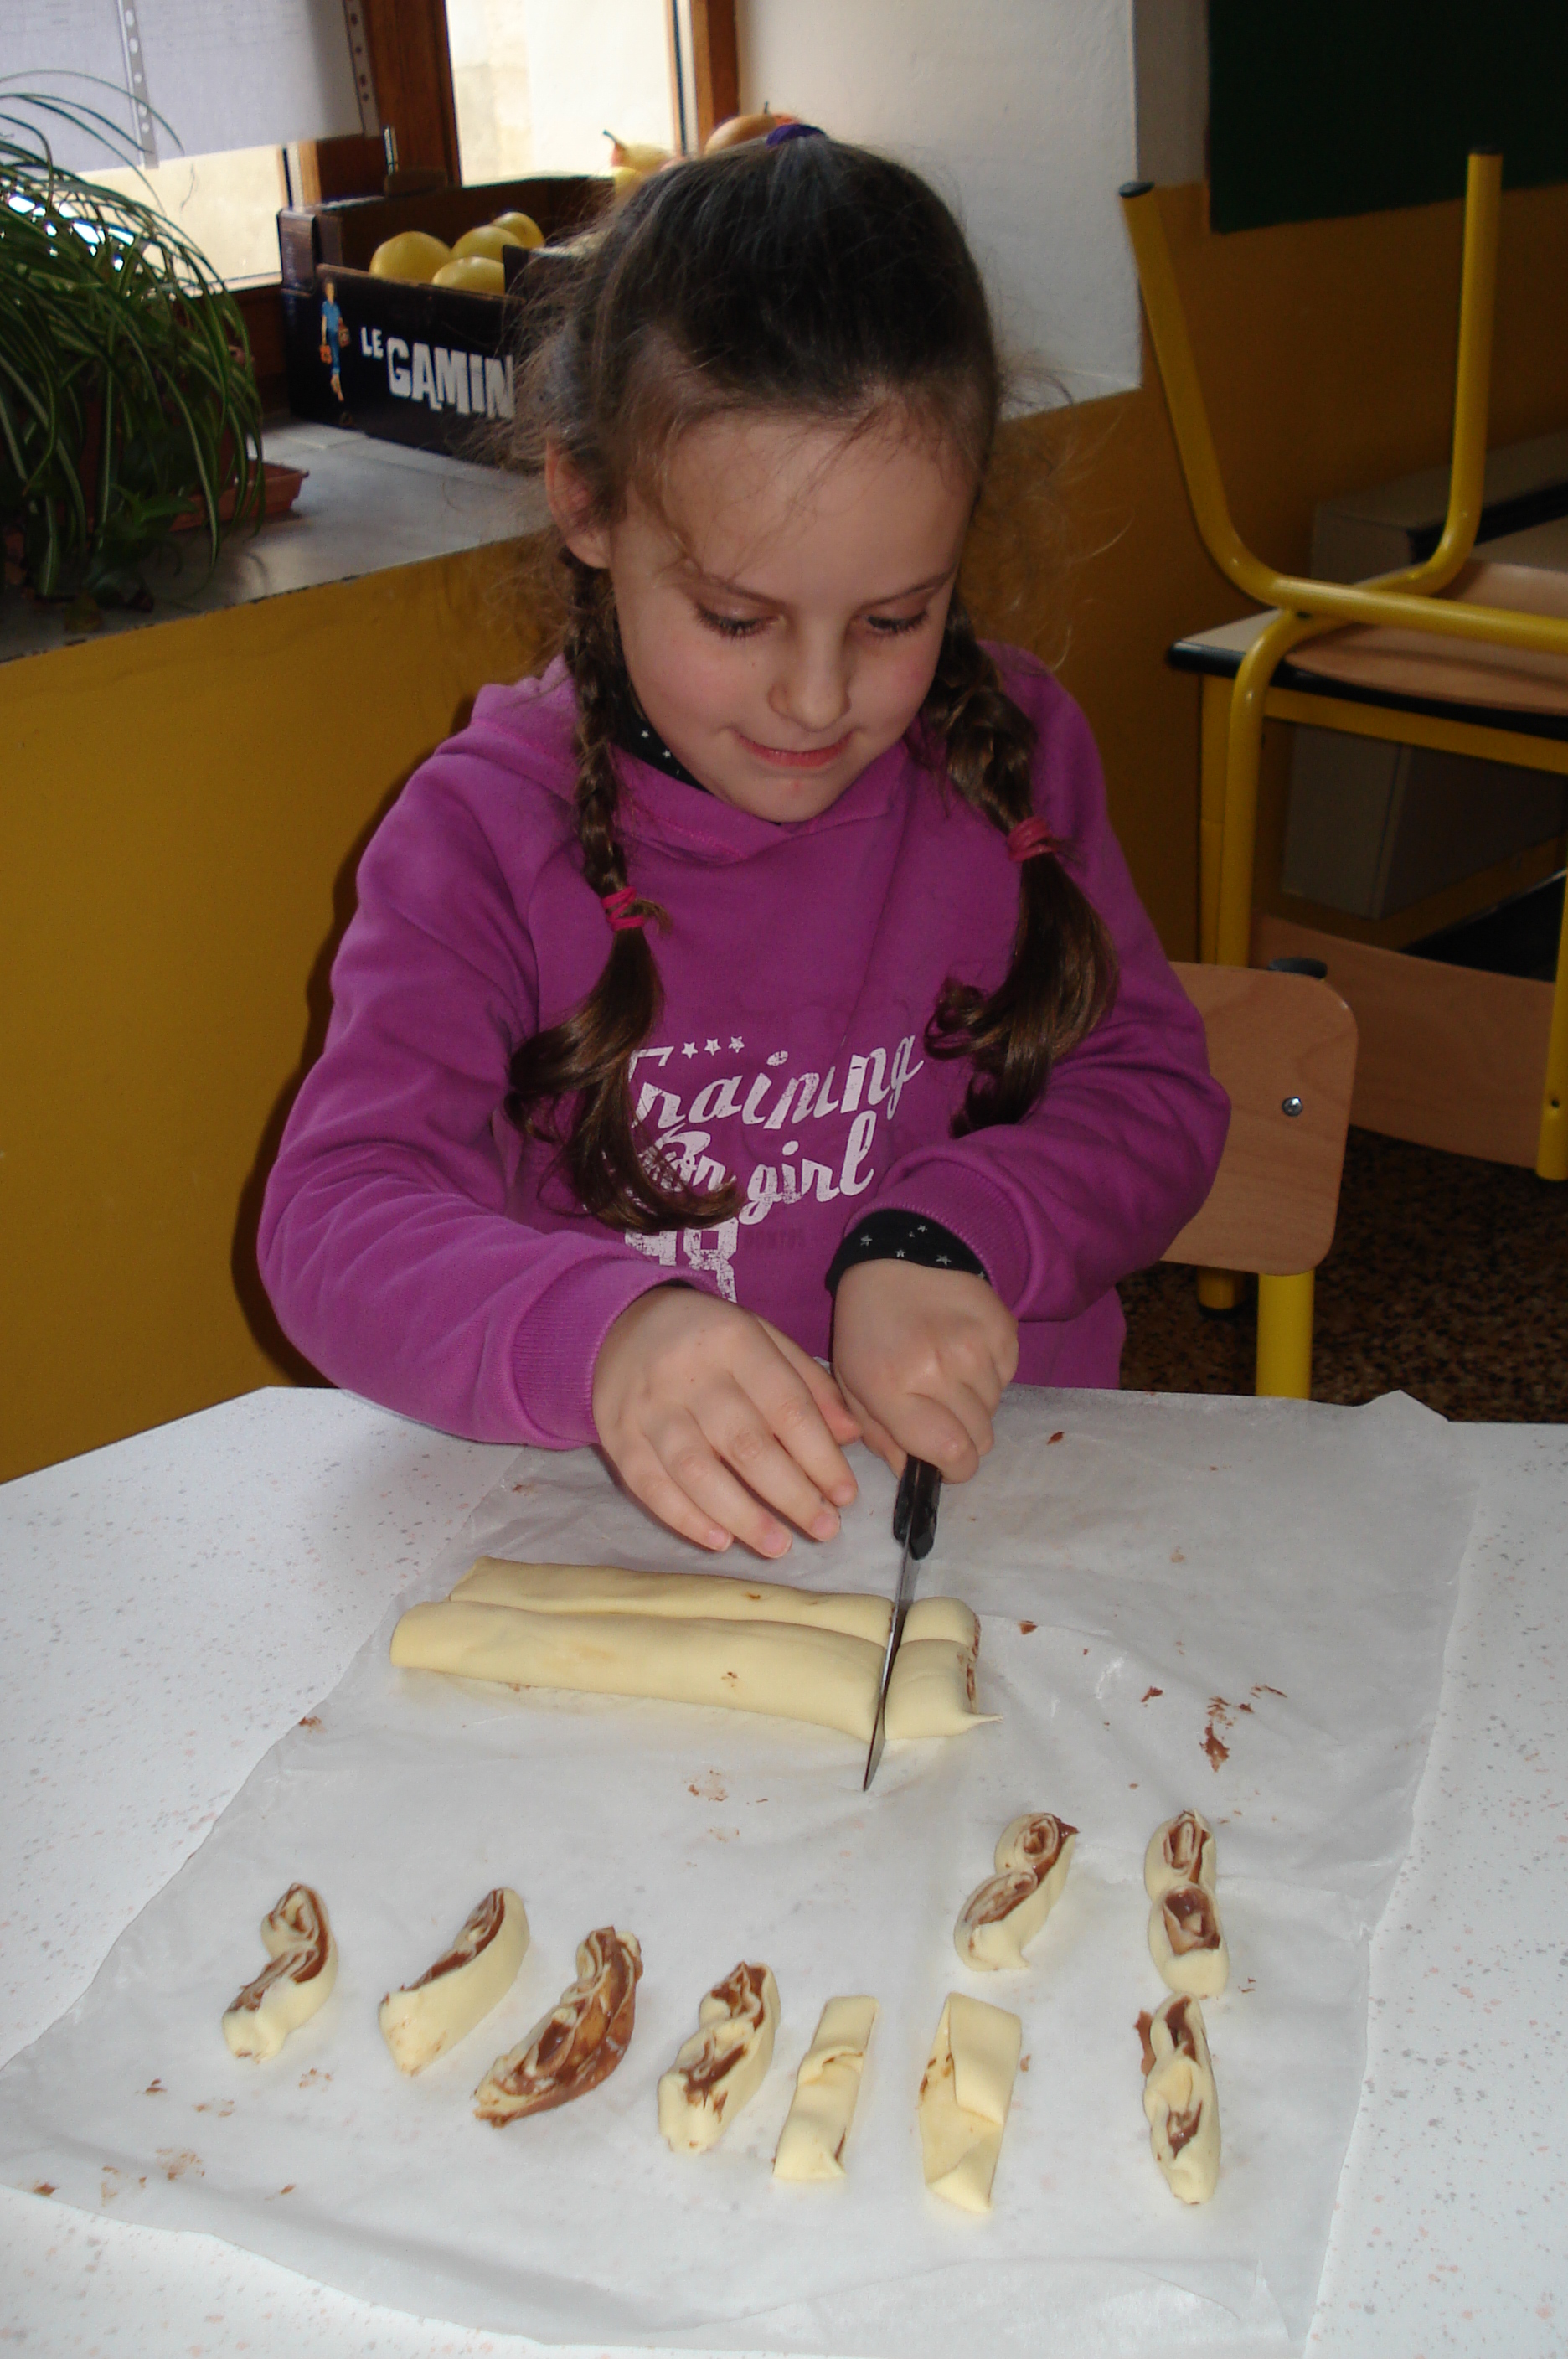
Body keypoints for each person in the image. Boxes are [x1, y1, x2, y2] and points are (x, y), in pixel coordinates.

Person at [260, 132, 1228, 1562]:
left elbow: (1154, 1097)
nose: (820, 699)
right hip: (624, 1535)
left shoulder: (1015, 750)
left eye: (896, 618)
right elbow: (333, 1221)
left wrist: (953, 1233)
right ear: (586, 504)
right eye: (736, 619)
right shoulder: (480, 832)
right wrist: (604, 1336)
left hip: (999, 1524)